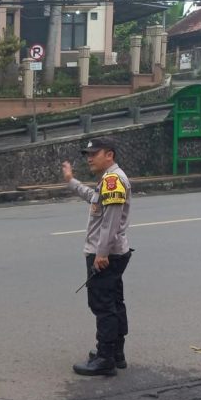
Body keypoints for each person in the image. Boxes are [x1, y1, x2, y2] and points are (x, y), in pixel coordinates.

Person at [61, 137, 133, 377]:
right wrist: (72, 182)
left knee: (103, 306)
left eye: (95, 153)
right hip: (114, 252)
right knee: (114, 302)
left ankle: (105, 359)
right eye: (88, 154)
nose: (89, 158)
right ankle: (115, 353)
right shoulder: (110, 179)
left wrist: (101, 254)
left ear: (109, 155)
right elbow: (95, 200)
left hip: (106, 254)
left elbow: (110, 222)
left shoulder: (113, 180)